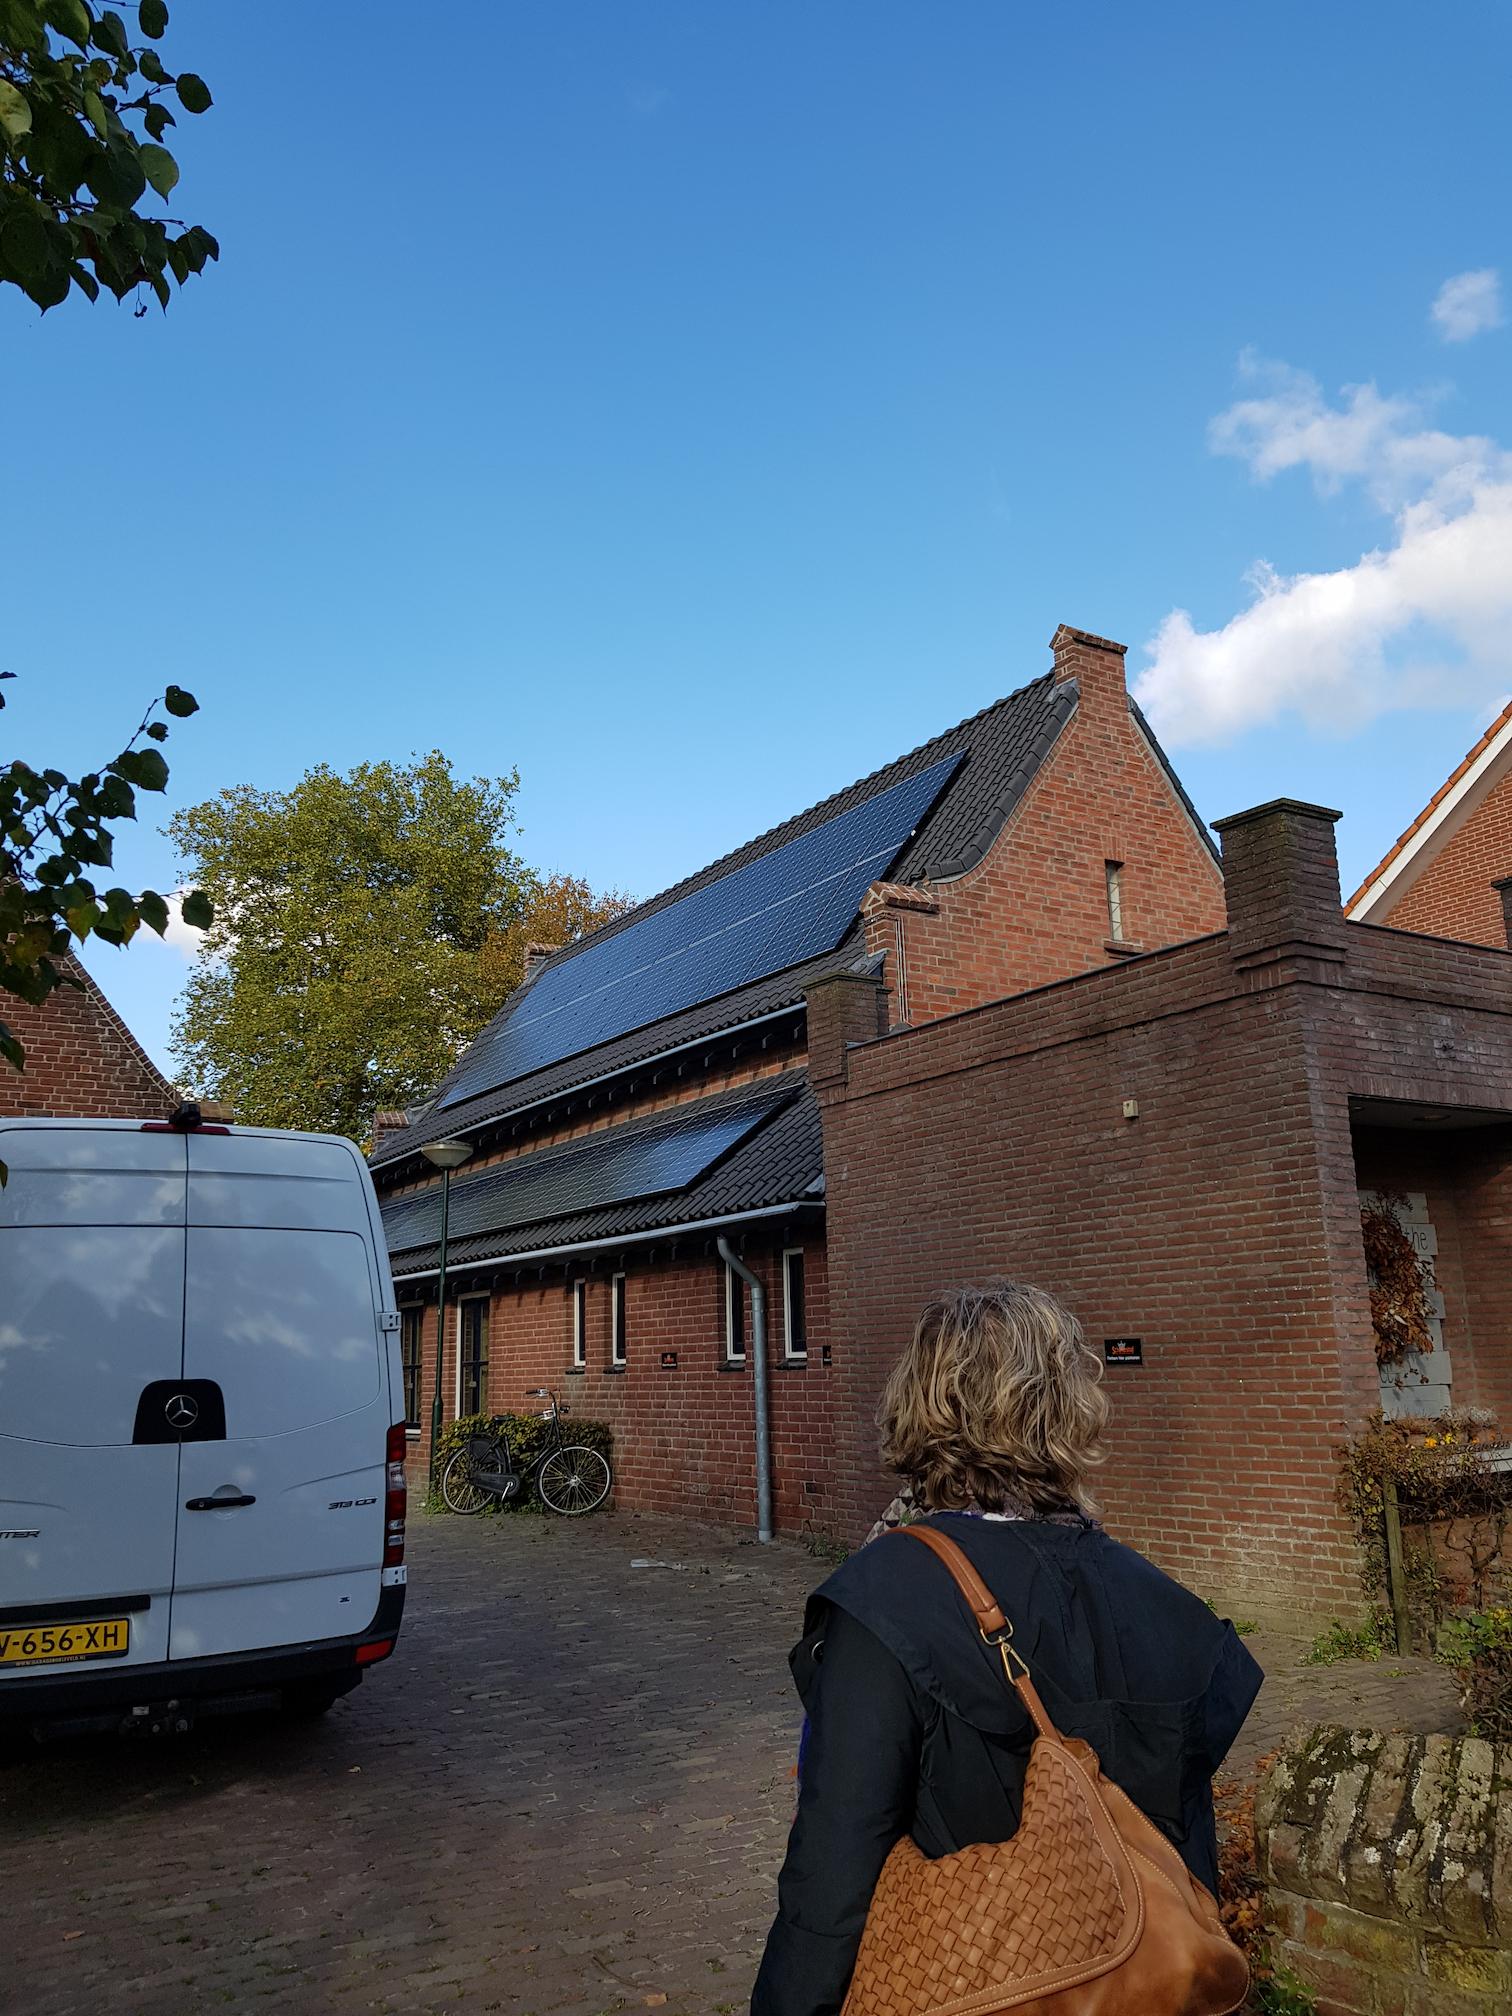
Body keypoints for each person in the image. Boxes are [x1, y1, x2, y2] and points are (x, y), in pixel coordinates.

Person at [751, 1281, 1263, 2016]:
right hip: (1145, 1988)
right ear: (1067, 1406)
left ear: (923, 1403)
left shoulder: (885, 1597)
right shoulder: (1163, 1602)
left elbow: (832, 1879)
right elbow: (1188, 1858)